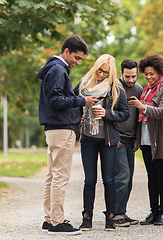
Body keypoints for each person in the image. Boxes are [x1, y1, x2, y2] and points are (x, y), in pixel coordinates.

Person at [38, 35, 97, 235]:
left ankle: (49, 219)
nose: (78, 62)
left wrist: (74, 111)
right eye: (77, 58)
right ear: (66, 52)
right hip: (61, 129)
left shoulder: (54, 69)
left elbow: (56, 100)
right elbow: (56, 101)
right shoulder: (58, 70)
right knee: (60, 177)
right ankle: (57, 222)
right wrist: (82, 102)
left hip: (55, 128)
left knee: (52, 176)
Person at [76, 54, 130, 231]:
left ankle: (110, 218)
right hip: (87, 139)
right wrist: (79, 116)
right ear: (95, 67)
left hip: (108, 139)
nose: (101, 75)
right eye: (100, 70)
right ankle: (86, 218)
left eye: (106, 73)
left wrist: (107, 114)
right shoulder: (84, 84)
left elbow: (125, 114)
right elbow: (72, 103)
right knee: (89, 180)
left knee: (109, 180)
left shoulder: (115, 88)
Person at [128, 54, 163, 226]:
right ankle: (153, 212)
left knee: (162, 175)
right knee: (151, 176)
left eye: (151, 74)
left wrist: (143, 107)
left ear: (159, 72)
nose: (148, 77)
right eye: (146, 74)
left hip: (160, 136)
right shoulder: (146, 89)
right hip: (146, 136)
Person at [114, 59, 143, 227]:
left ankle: (122, 213)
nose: (131, 80)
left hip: (130, 139)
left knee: (129, 178)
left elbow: (139, 117)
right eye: (127, 76)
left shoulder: (139, 89)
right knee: (122, 176)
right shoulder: (114, 87)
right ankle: (115, 214)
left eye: (134, 76)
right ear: (121, 73)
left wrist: (137, 138)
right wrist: (114, 136)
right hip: (117, 139)